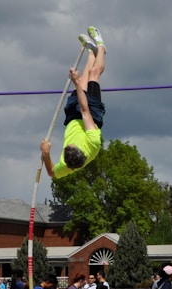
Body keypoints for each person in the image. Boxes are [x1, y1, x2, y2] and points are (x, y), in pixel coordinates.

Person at [41, 26, 107, 179]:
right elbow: (85, 110)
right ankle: (101, 47)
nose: (69, 143)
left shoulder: (67, 163)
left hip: (72, 117)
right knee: (93, 74)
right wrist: (75, 82)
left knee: (83, 79)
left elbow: (52, 173)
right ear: (79, 149)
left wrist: (46, 154)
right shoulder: (93, 143)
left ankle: (91, 52)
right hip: (92, 115)